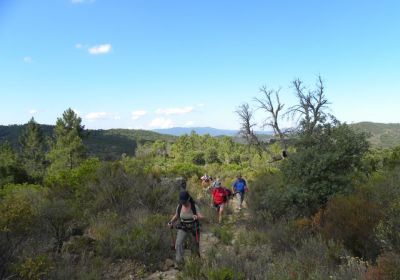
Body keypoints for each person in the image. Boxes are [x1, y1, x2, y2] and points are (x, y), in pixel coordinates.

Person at [168, 190, 204, 268]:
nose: (183, 203)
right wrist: (171, 222)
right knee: (178, 243)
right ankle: (179, 263)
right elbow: (177, 216)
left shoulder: (194, 206)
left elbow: (202, 217)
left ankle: (196, 264)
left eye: (184, 201)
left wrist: (197, 217)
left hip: (193, 228)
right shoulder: (180, 206)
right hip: (183, 227)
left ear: (188, 199)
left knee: (194, 246)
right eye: (182, 201)